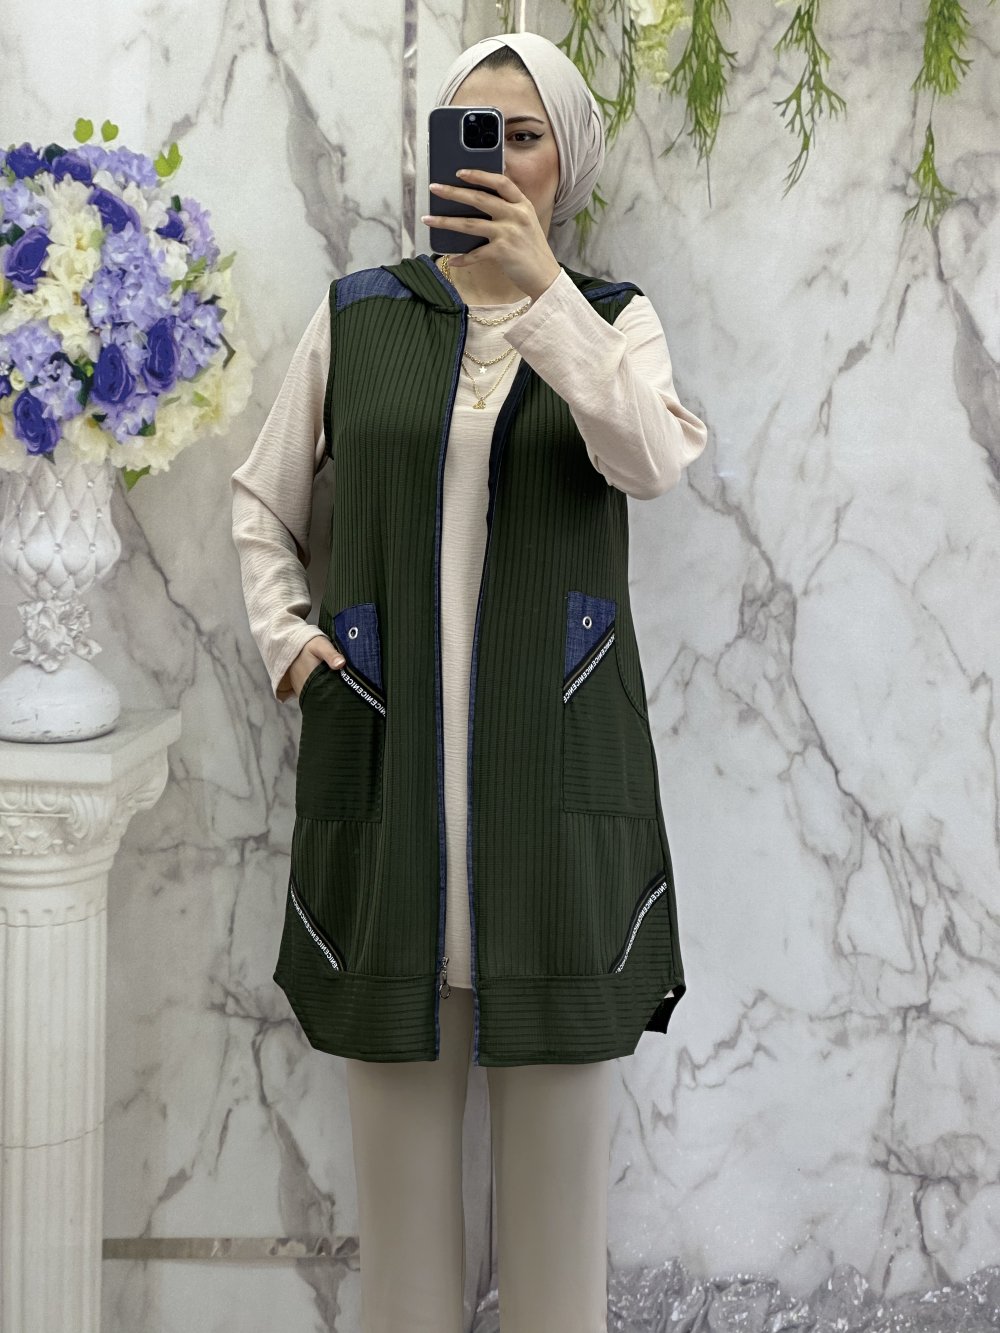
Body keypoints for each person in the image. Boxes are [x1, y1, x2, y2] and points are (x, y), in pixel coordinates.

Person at [231, 29, 708, 1333]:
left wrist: (543, 293)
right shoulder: (361, 314)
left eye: (525, 135)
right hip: (390, 787)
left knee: (559, 1233)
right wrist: (287, 640)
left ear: (568, 163)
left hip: (555, 797)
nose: (496, 159)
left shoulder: (614, 321)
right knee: (402, 1233)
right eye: (472, 131)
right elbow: (261, 501)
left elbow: (649, 460)